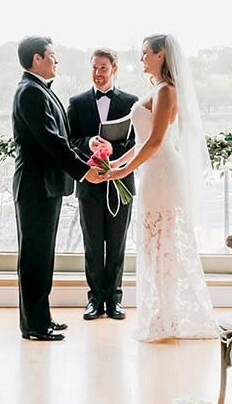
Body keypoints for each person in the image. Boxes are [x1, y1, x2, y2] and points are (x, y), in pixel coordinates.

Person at [105, 34, 217, 342]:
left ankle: (170, 316)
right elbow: (142, 142)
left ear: (160, 56)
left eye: (145, 53)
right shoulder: (156, 90)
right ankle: (161, 313)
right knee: (154, 245)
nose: (141, 58)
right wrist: (116, 165)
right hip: (153, 172)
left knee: (164, 243)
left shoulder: (167, 90)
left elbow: (155, 142)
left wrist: (126, 170)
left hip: (164, 171)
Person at [12, 36, 105, 342]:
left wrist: (88, 161)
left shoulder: (39, 90)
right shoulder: (30, 93)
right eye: (52, 56)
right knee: (34, 257)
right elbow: (51, 142)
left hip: (46, 186)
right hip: (35, 187)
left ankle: (42, 319)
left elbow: (62, 142)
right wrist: (84, 172)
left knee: (43, 255)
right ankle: (34, 327)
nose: (56, 61)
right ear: (37, 59)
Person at [67, 48, 139, 321]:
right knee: (93, 245)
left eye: (103, 68)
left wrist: (115, 148)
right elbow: (69, 141)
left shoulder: (132, 102)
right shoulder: (76, 102)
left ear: (115, 69)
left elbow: (137, 143)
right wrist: (89, 143)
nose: (98, 74)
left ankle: (115, 300)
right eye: (94, 68)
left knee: (118, 244)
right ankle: (94, 300)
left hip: (122, 182)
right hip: (89, 184)